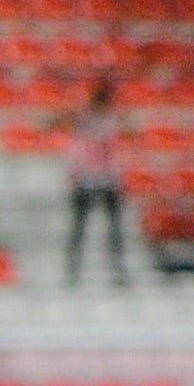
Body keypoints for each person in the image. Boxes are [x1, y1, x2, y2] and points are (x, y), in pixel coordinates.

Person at [66, 78, 128, 286]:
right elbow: (79, 149)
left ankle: (117, 268)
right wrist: (75, 174)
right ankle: (73, 270)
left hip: (106, 178)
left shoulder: (108, 121)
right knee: (80, 227)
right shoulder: (87, 121)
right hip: (89, 178)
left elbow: (113, 152)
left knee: (113, 229)